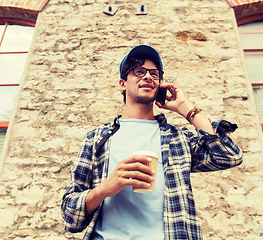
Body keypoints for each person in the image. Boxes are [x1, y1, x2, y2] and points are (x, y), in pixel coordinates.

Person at [61, 45, 243, 240]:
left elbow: (228, 155)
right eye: (139, 72)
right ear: (123, 83)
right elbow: (70, 215)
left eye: (154, 74)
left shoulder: (177, 139)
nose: (148, 77)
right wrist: (105, 188)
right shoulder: (96, 139)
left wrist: (184, 107)